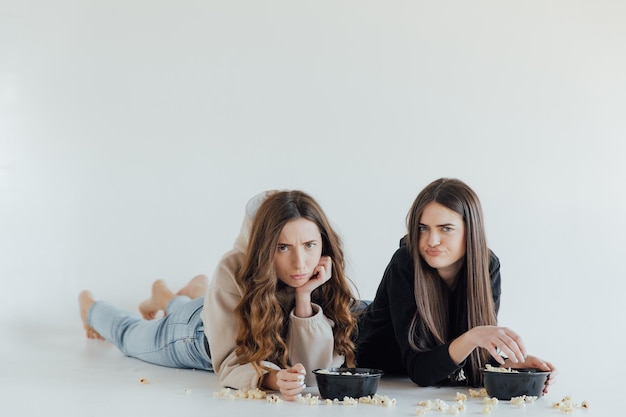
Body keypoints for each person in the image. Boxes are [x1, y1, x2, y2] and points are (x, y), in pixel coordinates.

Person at [79, 190, 360, 401]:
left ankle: (170, 294)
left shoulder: (321, 274)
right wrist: (271, 379)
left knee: (198, 304)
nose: (300, 263)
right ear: (266, 247)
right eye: (283, 247)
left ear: (322, 242)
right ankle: (89, 305)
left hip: (212, 308)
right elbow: (229, 363)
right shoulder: (233, 267)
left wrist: (304, 297)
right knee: (130, 336)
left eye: (309, 245)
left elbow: (313, 372)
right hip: (196, 336)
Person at [355, 178, 556, 392]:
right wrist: (473, 336)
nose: (432, 240)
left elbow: (472, 355)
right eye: (423, 228)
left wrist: (509, 363)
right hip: (357, 334)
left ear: (470, 230)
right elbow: (420, 370)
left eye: (446, 229)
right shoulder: (405, 263)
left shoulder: (487, 266)